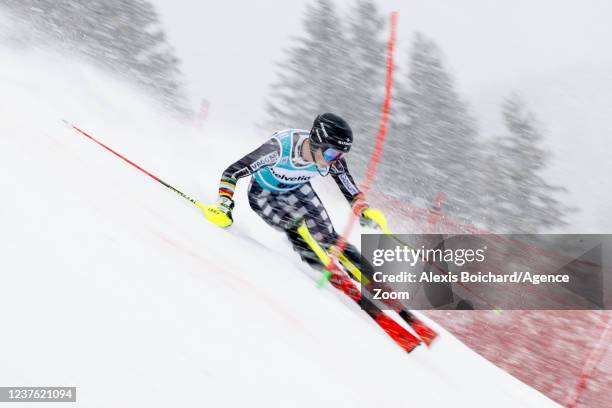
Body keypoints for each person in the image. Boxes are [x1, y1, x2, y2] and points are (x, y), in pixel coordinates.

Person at [204, 112, 388, 271]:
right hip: (264, 195)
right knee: (295, 228)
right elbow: (232, 172)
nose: (335, 160)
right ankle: (324, 275)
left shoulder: (333, 160)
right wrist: (224, 203)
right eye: (331, 154)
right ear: (317, 142)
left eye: (341, 155)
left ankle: (369, 276)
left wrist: (364, 210)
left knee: (327, 237)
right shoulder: (280, 149)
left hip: (298, 190)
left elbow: (350, 190)